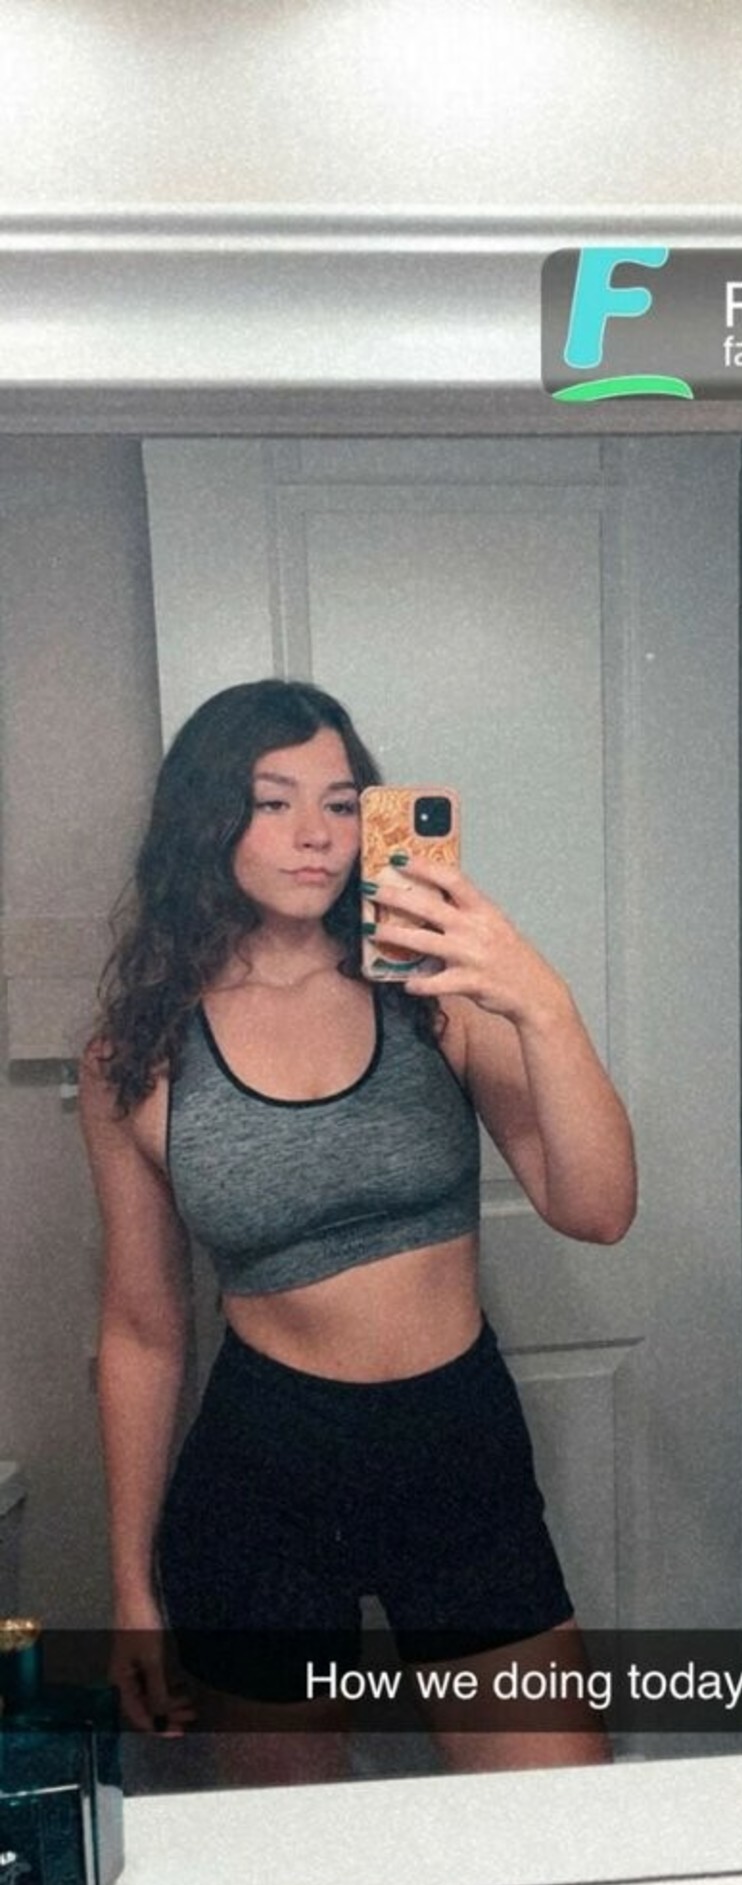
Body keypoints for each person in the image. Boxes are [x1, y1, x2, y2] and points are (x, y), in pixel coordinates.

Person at [79, 679, 636, 1777]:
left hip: (457, 1448)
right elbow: (143, 1329)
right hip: (263, 1473)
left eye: (341, 802)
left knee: (561, 1819)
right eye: (273, 800)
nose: (317, 834)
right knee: (294, 1845)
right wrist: (131, 1587)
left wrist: (540, 1000)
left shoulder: (435, 996)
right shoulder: (138, 1052)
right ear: (207, 817)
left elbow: (599, 1208)